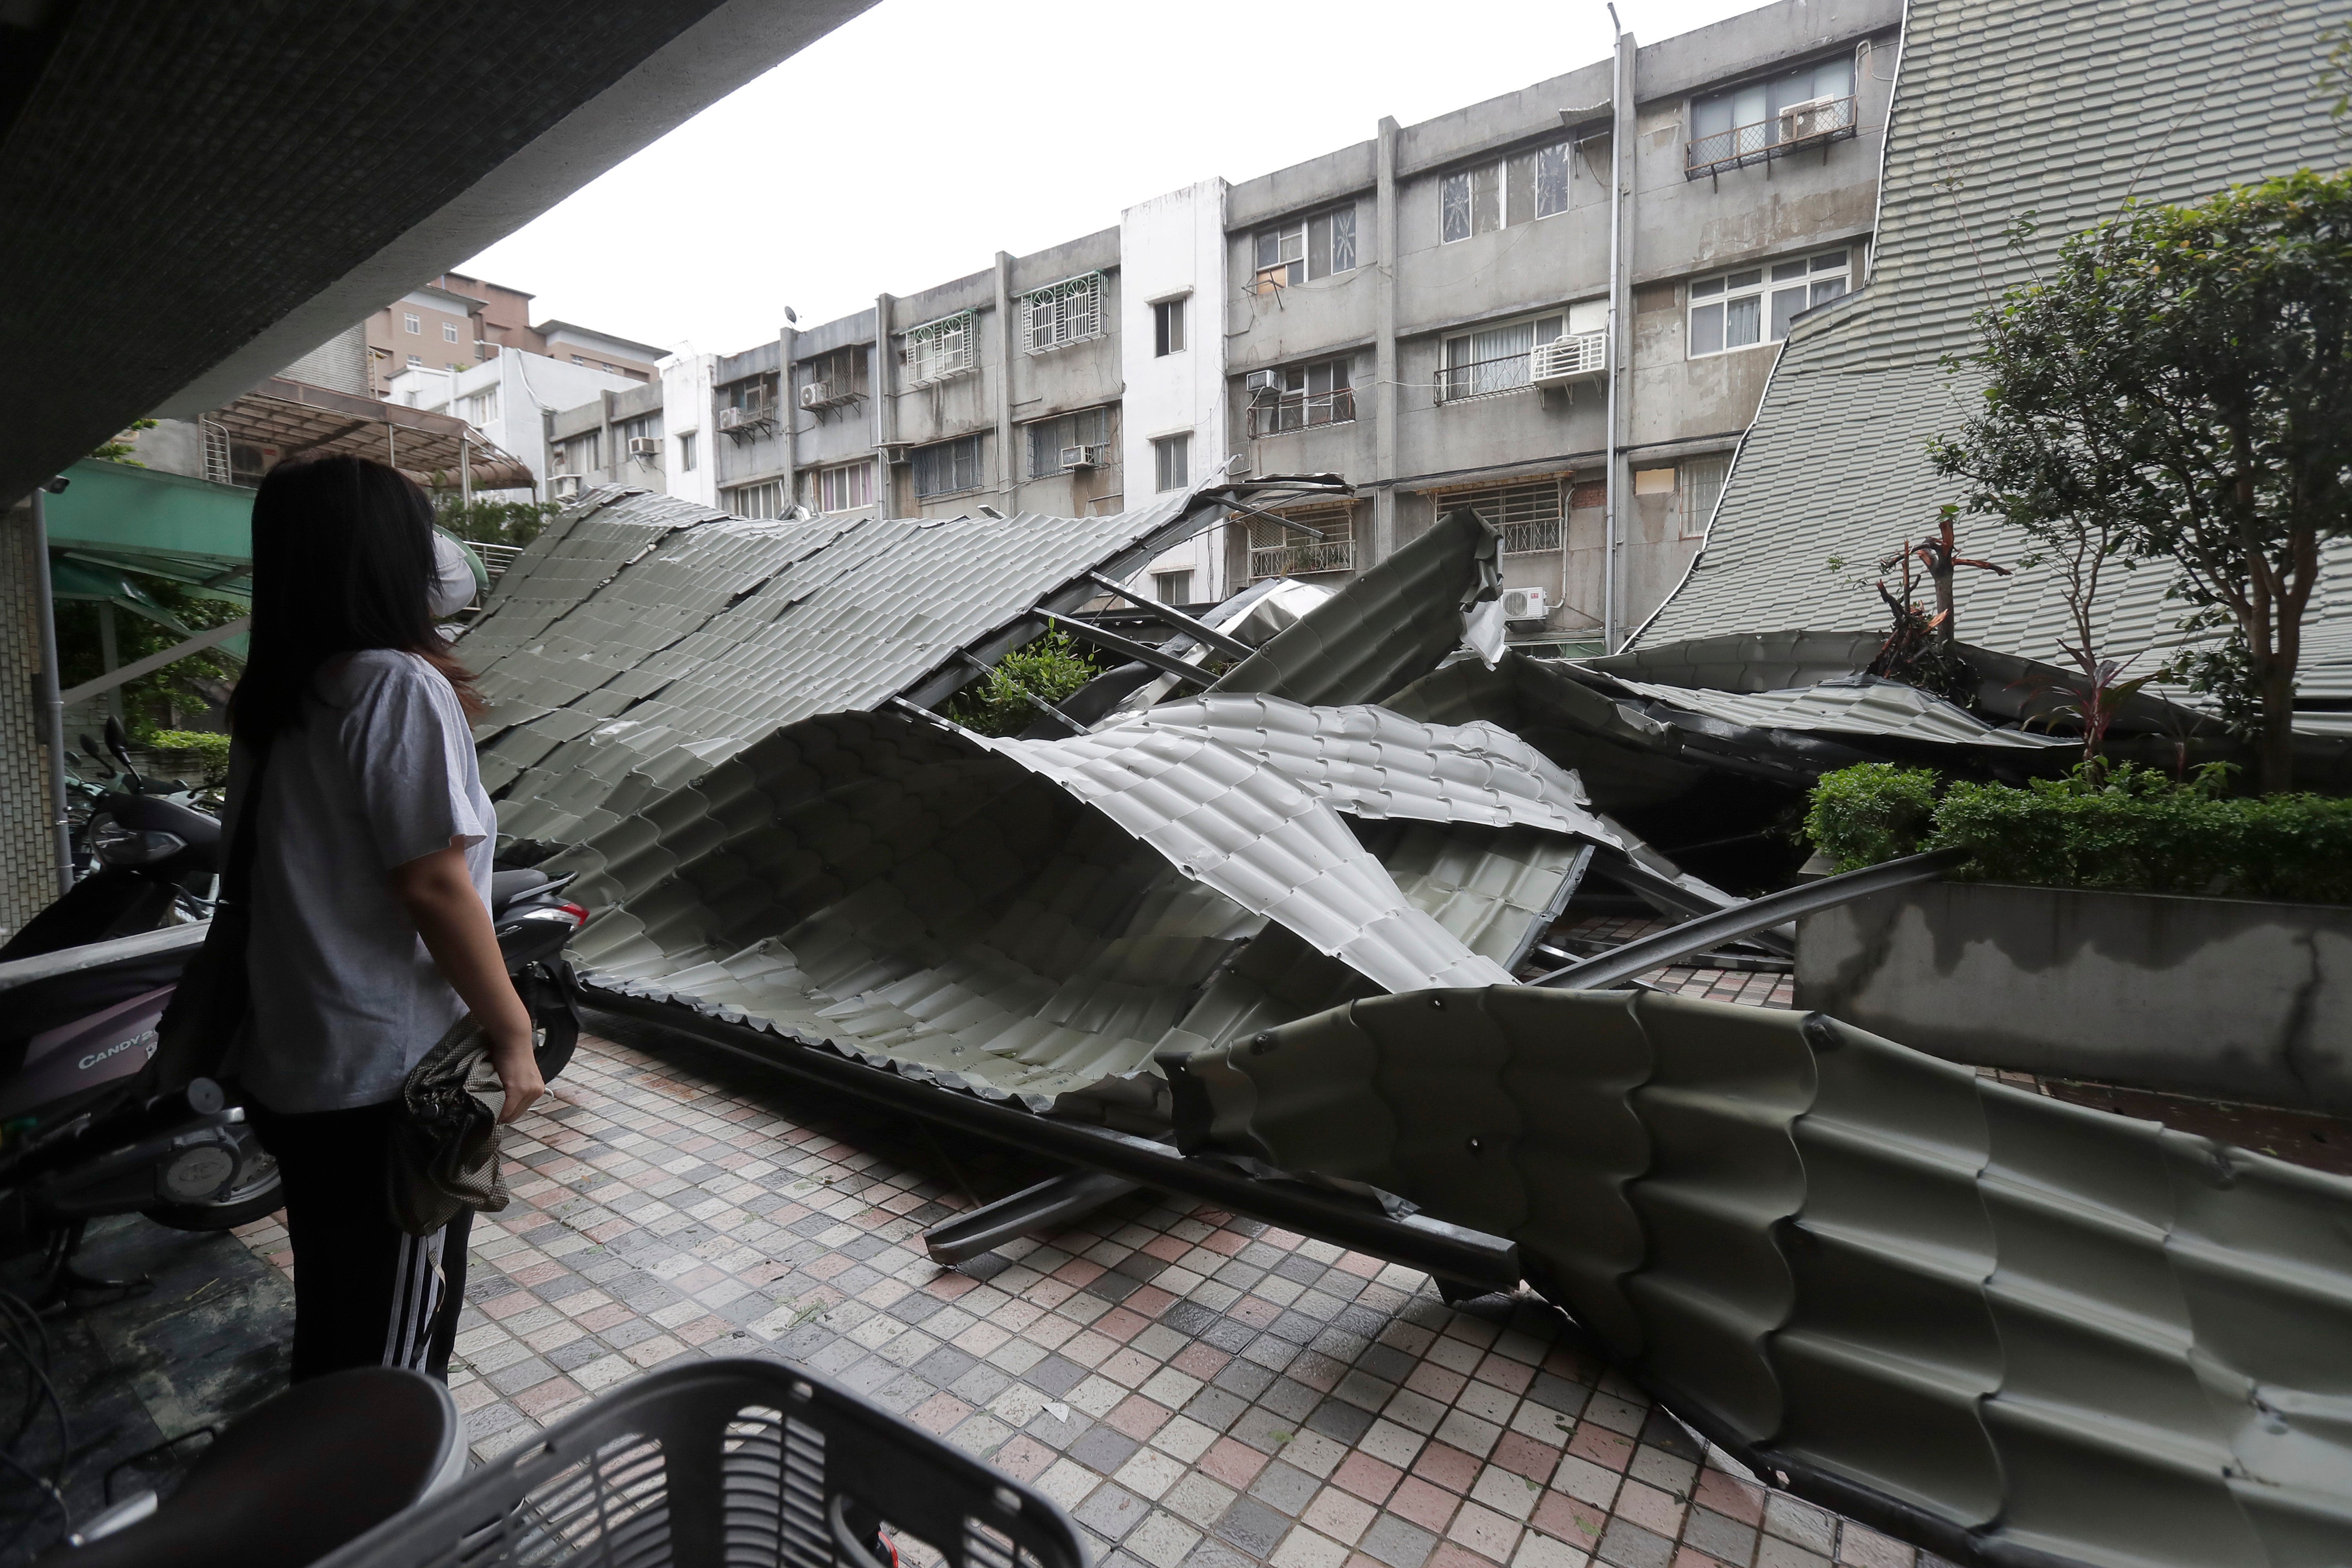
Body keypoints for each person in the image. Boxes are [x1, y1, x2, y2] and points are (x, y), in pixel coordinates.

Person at [224, 455, 541, 1383]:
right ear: (384, 559)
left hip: (298, 1064)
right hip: (382, 1083)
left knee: (340, 1302)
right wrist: (513, 1031)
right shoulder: (395, 684)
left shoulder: (283, 694)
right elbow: (435, 885)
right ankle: (382, 1510)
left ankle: (331, 1492)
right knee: (396, 1345)